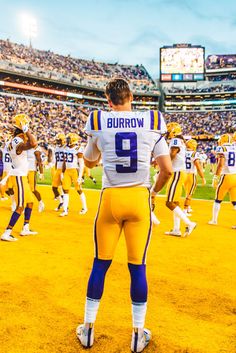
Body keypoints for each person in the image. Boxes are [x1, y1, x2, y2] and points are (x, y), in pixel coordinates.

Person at [76, 78, 172, 353]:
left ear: (108, 101)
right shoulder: (151, 119)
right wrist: (152, 193)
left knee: (100, 264)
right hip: (139, 198)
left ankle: (88, 331)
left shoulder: (99, 120)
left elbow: (89, 161)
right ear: (132, 96)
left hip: (110, 199)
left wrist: (98, 146)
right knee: (137, 267)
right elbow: (166, 170)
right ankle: (137, 335)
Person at [1, 114, 38, 241]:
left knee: (30, 202)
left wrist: (25, 131)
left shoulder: (15, 140)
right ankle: (7, 232)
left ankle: (25, 228)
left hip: (21, 175)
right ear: (21, 129)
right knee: (20, 206)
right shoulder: (17, 141)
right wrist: (27, 130)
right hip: (18, 177)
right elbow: (33, 143)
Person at [165, 123, 197, 237]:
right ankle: (176, 229)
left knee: (169, 203)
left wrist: (163, 163)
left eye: (168, 129)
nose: (167, 131)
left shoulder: (175, 140)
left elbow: (172, 154)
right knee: (175, 202)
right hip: (179, 172)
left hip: (176, 173)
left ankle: (189, 223)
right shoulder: (180, 140)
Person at [208, 134, 236, 225]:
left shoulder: (222, 148)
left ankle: (214, 220)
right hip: (235, 175)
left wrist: (216, 176)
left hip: (226, 176)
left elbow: (220, 165)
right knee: (235, 201)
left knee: (218, 199)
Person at [60, 133, 87, 216]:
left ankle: (85, 208)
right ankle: (65, 210)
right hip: (67, 171)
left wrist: (80, 176)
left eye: (68, 139)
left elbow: (81, 164)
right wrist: (62, 172)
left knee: (79, 190)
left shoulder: (78, 149)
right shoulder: (65, 148)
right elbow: (64, 162)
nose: (67, 140)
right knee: (65, 190)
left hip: (75, 171)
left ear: (73, 140)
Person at [184, 139, 206, 215]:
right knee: (189, 193)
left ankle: (188, 207)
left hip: (183, 174)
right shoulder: (194, 154)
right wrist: (202, 177)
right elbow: (198, 166)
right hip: (191, 174)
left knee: (188, 191)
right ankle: (185, 210)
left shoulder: (182, 152)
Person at [27, 145, 45, 212]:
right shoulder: (24, 147)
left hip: (32, 170)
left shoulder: (36, 149)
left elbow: (39, 161)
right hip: (23, 170)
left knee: (33, 189)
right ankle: (22, 205)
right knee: (23, 188)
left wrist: (41, 173)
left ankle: (40, 202)